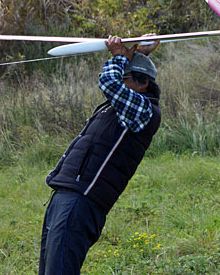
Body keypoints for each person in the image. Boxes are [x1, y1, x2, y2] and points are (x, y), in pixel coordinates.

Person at [39, 35, 161, 275]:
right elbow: (118, 85)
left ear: (142, 83)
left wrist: (118, 56)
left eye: (125, 76)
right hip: (67, 194)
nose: (119, 79)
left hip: (82, 200)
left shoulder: (143, 110)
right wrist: (136, 54)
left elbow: (108, 82)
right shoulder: (122, 105)